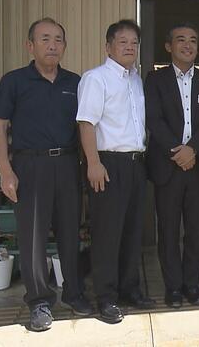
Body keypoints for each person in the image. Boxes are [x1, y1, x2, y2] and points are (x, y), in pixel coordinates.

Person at [0, 17, 92, 332]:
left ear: (65, 46)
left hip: (67, 164)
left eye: (58, 39)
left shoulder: (75, 83)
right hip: (29, 166)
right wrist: (5, 172)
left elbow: (86, 127)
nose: (52, 45)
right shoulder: (14, 81)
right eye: (45, 39)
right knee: (32, 237)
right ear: (30, 45)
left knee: (69, 232)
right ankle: (39, 302)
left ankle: (74, 293)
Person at [77, 19, 154, 324]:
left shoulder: (135, 80)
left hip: (136, 164)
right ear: (108, 46)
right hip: (108, 164)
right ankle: (105, 297)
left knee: (133, 232)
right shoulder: (96, 79)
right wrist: (93, 163)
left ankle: (129, 288)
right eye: (122, 42)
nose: (129, 47)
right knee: (108, 234)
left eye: (134, 43)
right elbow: (86, 123)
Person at [145, 23, 199, 308]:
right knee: (167, 231)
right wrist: (178, 152)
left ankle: (192, 284)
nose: (187, 45)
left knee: (196, 232)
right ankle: (173, 288)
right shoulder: (155, 79)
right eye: (181, 40)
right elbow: (153, 119)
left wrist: (193, 150)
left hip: (197, 167)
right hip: (168, 166)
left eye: (193, 40)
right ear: (169, 46)